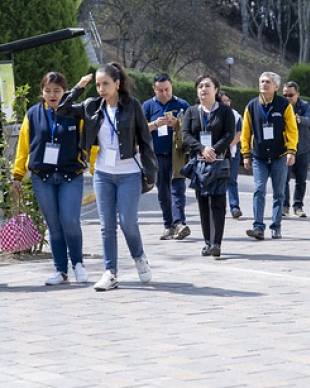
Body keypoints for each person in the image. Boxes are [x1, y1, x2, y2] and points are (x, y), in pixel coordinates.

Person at [57, 62, 158, 291]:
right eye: (98, 84)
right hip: (103, 173)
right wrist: (79, 87)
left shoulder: (132, 106)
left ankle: (139, 257)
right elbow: (62, 109)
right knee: (107, 226)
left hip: (129, 173)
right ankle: (110, 272)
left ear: (117, 83)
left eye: (105, 84)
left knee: (128, 222)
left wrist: (151, 173)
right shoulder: (91, 105)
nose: (101, 88)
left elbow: (145, 140)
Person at [12, 71, 88, 286]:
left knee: (70, 220)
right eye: (48, 91)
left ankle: (78, 265)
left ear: (65, 91)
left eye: (57, 91)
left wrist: (96, 164)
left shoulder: (75, 112)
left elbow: (88, 142)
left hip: (71, 174)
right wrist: (17, 174)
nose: (52, 95)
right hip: (42, 177)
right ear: (41, 92)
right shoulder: (33, 114)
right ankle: (60, 270)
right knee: (54, 225)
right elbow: (24, 146)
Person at [182, 74, 235, 258]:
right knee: (203, 202)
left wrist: (215, 150)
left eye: (207, 86)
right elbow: (186, 135)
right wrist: (203, 149)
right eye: (200, 86)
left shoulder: (225, 111)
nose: (203, 89)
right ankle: (207, 242)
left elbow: (229, 133)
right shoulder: (191, 112)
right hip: (199, 163)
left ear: (216, 89)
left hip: (219, 162)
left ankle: (216, 243)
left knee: (218, 203)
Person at [241, 72, 298, 240]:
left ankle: (276, 226)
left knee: (279, 192)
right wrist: (245, 154)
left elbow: (292, 130)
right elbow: (245, 132)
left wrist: (291, 151)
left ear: (276, 87)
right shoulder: (251, 106)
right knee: (259, 190)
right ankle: (258, 227)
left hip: (279, 155)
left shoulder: (283, 105)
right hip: (258, 156)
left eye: (268, 82)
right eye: (261, 81)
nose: (264, 84)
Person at [142, 73, 191, 240]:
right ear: (154, 89)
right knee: (163, 191)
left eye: (167, 89)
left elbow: (192, 126)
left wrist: (177, 123)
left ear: (172, 87)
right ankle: (168, 225)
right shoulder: (148, 106)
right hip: (156, 155)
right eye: (160, 90)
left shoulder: (182, 104)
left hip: (177, 154)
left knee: (178, 188)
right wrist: (156, 124)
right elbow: (140, 129)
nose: (165, 93)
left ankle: (179, 223)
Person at [282, 81, 310, 217]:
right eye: (285, 95)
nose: (287, 98)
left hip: (302, 149)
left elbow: (309, 119)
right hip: (286, 149)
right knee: (283, 179)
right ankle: (284, 206)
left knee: (301, 180)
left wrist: (300, 119)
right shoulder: (280, 106)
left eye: (290, 95)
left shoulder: (304, 106)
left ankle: (298, 206)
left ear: (297, 94)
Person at [219, 91, 243, 219]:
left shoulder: (236, 116)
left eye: (228, 100)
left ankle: (235, 207)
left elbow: (239, 134)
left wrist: (227, 147)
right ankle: (220, 207)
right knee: (219, 180)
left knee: (232, 180)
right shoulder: (215, 115)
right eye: (223, 100)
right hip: (217, 153)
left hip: (232, 152)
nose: (226, 103)